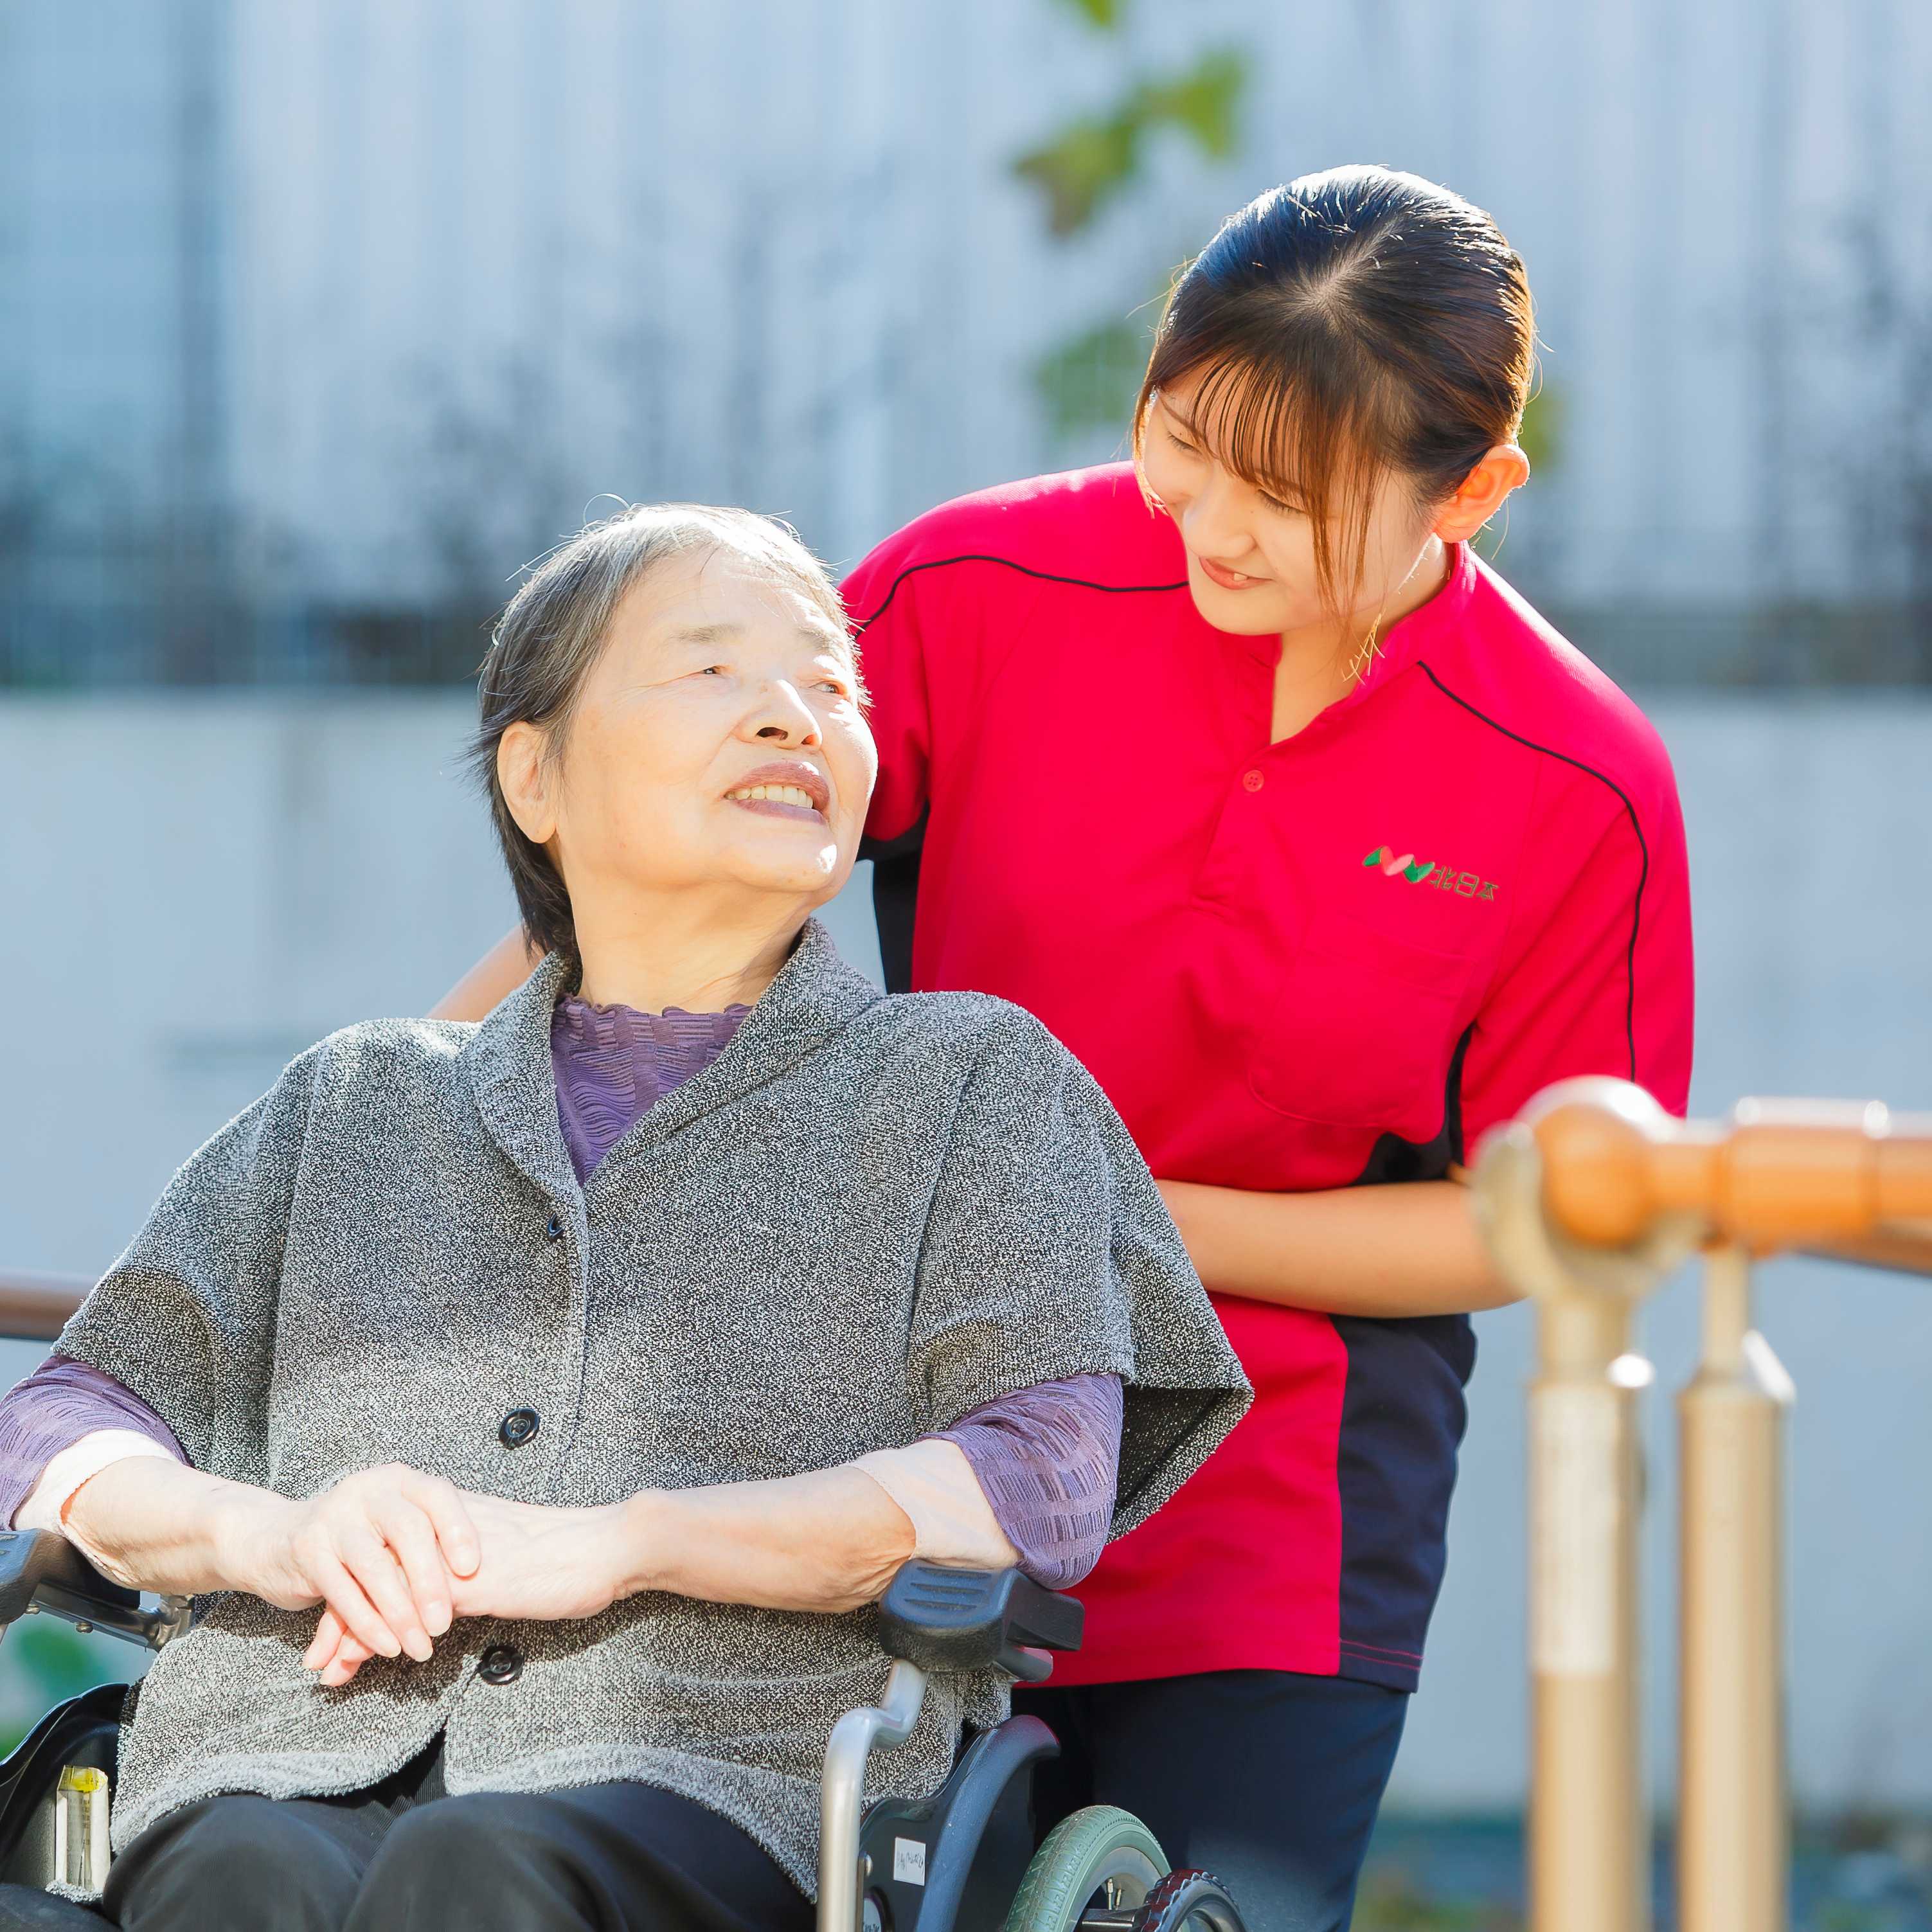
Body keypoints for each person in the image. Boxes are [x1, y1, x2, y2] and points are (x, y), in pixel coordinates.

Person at [442, 166, 1697, 1931]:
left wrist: (1114, 1213)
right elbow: (656, 856)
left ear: (1470, 490)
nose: (1217, 525)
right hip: (884, 1443)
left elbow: (1543, 1216)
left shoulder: (1573, 781)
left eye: (1295, 493)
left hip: (1277, 1516)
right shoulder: (976, 587)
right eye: (1184, 442)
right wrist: (407, 1143)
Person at [0, 504, 1249, 1932]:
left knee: (475, 1873)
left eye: (832, 689)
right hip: (278, 1741)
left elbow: (1037, 1480)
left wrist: (627, 1542)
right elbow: (62, 1425)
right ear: (536, 775)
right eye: (713, 669)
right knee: (249, 1871)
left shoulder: (972, 1084)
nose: (795, 715)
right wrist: (270, 1540)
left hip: (729, 1772)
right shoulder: (355, 1102)